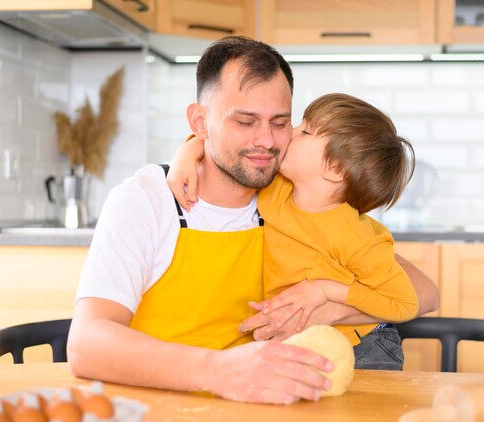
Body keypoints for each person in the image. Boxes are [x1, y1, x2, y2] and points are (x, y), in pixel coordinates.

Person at [67, 36, 439, 404]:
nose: (267, 141)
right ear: (200, 121)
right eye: (245, 121)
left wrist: (328, 306)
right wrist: (218, 370)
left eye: (280, 122)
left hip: (264, 410)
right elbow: (87, 345)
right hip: (159, 411)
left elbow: (424, 294)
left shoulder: (290, 196)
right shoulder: (147, 200)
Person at [168, 92, 420, 370]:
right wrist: (188, 152)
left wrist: (326, 291)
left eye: (306, 131)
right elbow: (229, 156)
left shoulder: (356, 237)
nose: (290, 133)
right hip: (309, 345)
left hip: (365, 346)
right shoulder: (275, 189)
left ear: (335, 168)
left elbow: (404, 303)